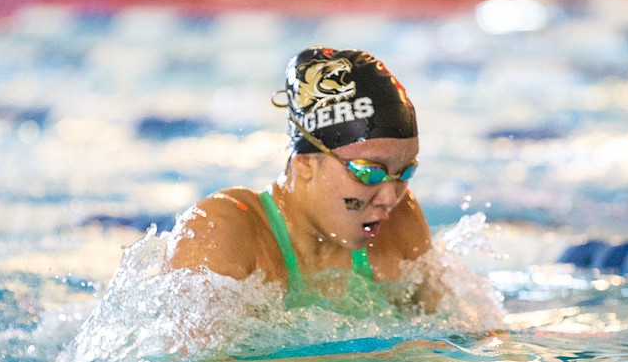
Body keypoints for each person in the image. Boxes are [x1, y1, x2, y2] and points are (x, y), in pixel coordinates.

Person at [165, 46, 440, 309]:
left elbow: (456, 331)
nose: (390, 198)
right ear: (306, 162)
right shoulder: (220, 231)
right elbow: (199, 358)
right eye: (368, 172)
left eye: (404, 172)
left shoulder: (401, 221)